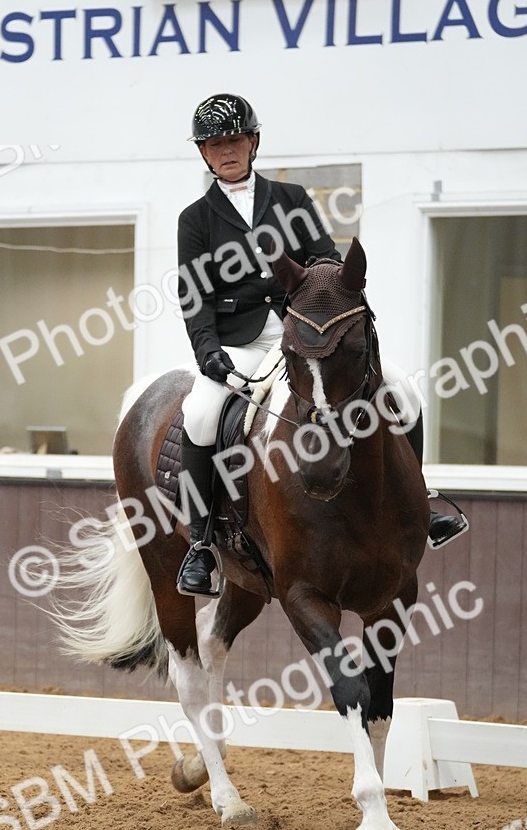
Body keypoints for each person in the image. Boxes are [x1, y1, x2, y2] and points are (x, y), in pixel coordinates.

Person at [176, 93, 466, 596]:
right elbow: (193, 295)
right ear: (204, 152)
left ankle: (421, 503)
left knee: (403, 390)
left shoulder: (290, 200)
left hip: (304, 331)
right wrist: (208, 354)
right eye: (216, 144)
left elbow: (327, 262)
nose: (227, 151)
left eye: (235, 140)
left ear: (253, 142)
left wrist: (321, 313)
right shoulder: (195, 219)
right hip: (240, 340)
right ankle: (201, 545)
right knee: (201, 413)